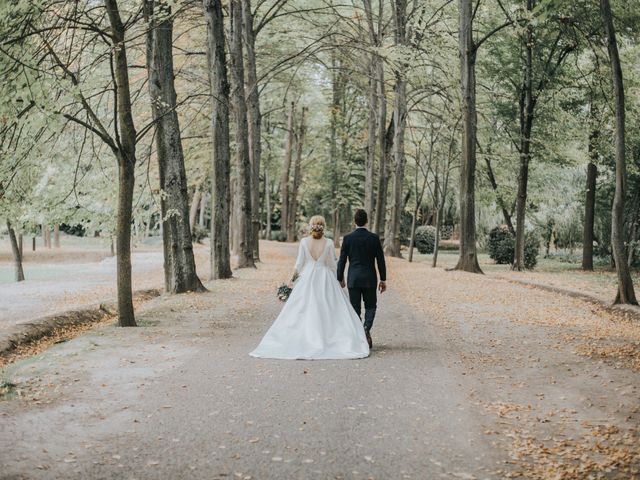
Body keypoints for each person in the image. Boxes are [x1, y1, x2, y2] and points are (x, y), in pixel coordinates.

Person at [250, 215, 369, 360]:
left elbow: (299, 263)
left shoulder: (304, 242)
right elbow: (332, 264)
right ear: (323, 226)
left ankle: (303, 338)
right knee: (330, 308)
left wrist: (292, 280)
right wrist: (338, 279)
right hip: (325, 278)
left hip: (307, 277)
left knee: (302, 308)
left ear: (310, 226)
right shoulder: (329, 243)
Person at [337, 209, 386, 348]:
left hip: (354, 278)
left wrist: (339, 277)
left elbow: (342, 260)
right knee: (371, 306)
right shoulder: (374, 238)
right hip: (370, 278)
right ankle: (366, 328)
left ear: (354, 221)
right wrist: (383, 279)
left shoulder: (347, 238)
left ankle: (360, 333)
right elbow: (380, 260)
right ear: (367, 221)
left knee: (355, 309)